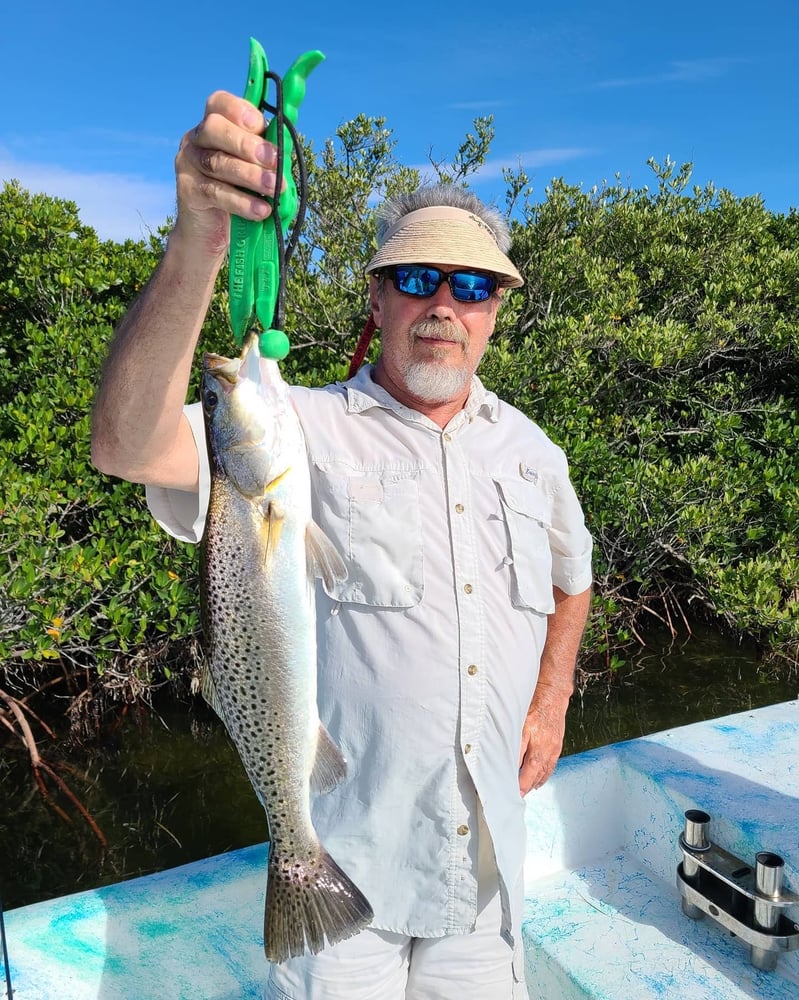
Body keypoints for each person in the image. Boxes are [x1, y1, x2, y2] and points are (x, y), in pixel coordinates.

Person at [91, 90, 593, 1000]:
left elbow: (574, 579)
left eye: (472, 287)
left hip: (485, 881)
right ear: (378, 294)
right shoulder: (299, 428)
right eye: (417, 279)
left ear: (495, 311)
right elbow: (125, 444)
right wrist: (200, 233)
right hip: (347, 864)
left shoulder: (534, 452)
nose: (445, 303)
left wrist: (553, 694)